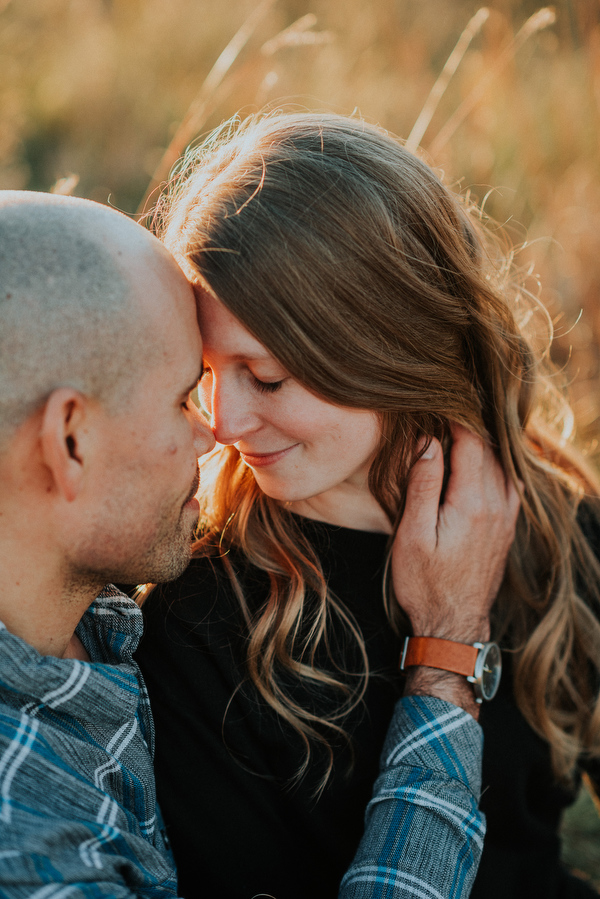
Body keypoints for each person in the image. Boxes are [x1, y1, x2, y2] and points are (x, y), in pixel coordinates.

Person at [137, 112, 600, 899]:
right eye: (208, 375)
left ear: (387, 340)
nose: (222, 422)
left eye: (268, 376)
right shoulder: (197, 615)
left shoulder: (552, 523)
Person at [0, 189, 514, 898]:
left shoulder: (87, 619)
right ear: (69, 442)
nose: (218, 430)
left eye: (264, 377)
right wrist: (448, 651)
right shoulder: (27, 855)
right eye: (186, 396)